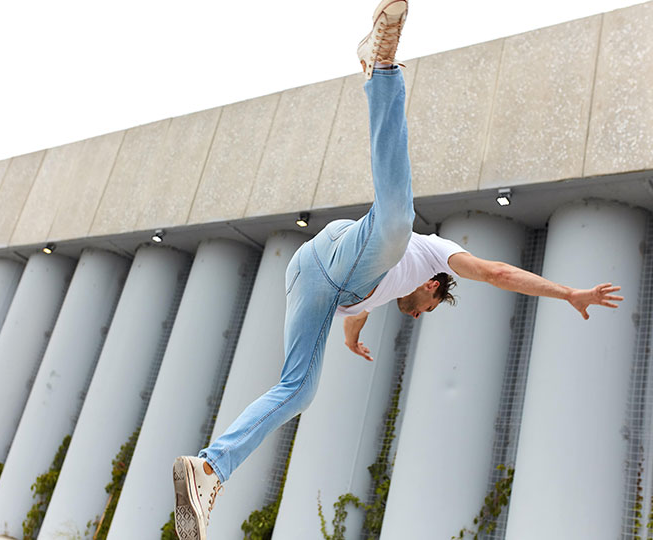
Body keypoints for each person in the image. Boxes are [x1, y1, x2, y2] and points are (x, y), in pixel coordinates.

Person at [171, 1, 623, 537]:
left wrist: (350, 339)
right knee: (396, 222)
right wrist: (568, 292)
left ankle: (208, 469)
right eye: (429, 307)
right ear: (433, 287)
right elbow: (497, 273)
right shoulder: (434, 255)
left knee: (299, 389)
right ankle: (382, 68)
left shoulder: (377, 301)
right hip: (340, 254)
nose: (417, 313)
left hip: (308, 281)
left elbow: (353, 317)